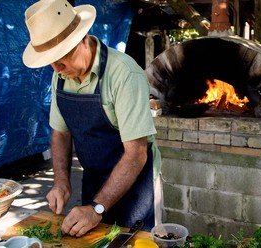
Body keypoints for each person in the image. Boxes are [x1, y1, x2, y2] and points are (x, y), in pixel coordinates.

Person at [22, 0, 162, 237]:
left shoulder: (124, 74)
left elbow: (136, 154)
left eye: (61, 57)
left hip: (137, 183)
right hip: (94, 178)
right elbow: (60, 133)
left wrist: (97, 207)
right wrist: (61, 182)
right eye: (50, 62)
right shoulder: (61, 75)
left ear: (83, 39)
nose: (56, 69)